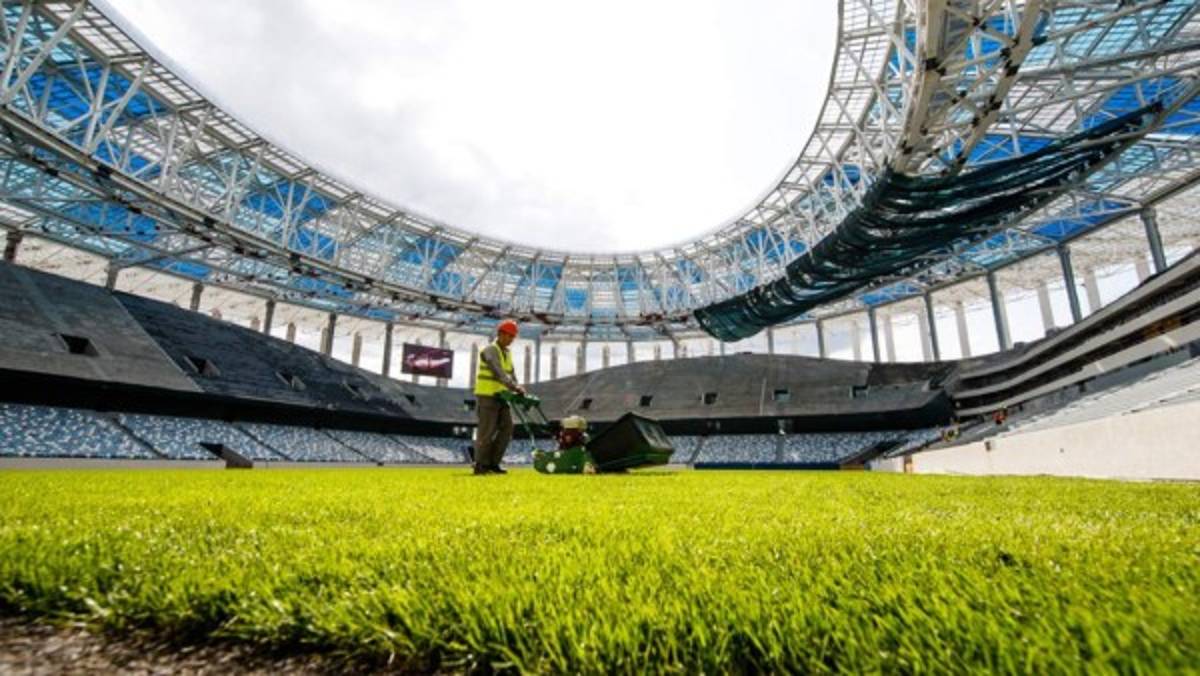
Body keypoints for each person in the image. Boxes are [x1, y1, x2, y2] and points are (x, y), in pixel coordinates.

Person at [472, 319, 525, 475]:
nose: (511, 340)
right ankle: (481, 464)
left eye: (513, 337)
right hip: (487, 396)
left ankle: (493, 463)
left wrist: (518, 388)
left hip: (502, 397)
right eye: (509, 336)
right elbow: (498, 371)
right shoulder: (490, 350)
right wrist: (514, 387)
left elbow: (511, 374)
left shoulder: (507, 354)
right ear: (500, 334)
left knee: (507, 428)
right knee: (486, 432)